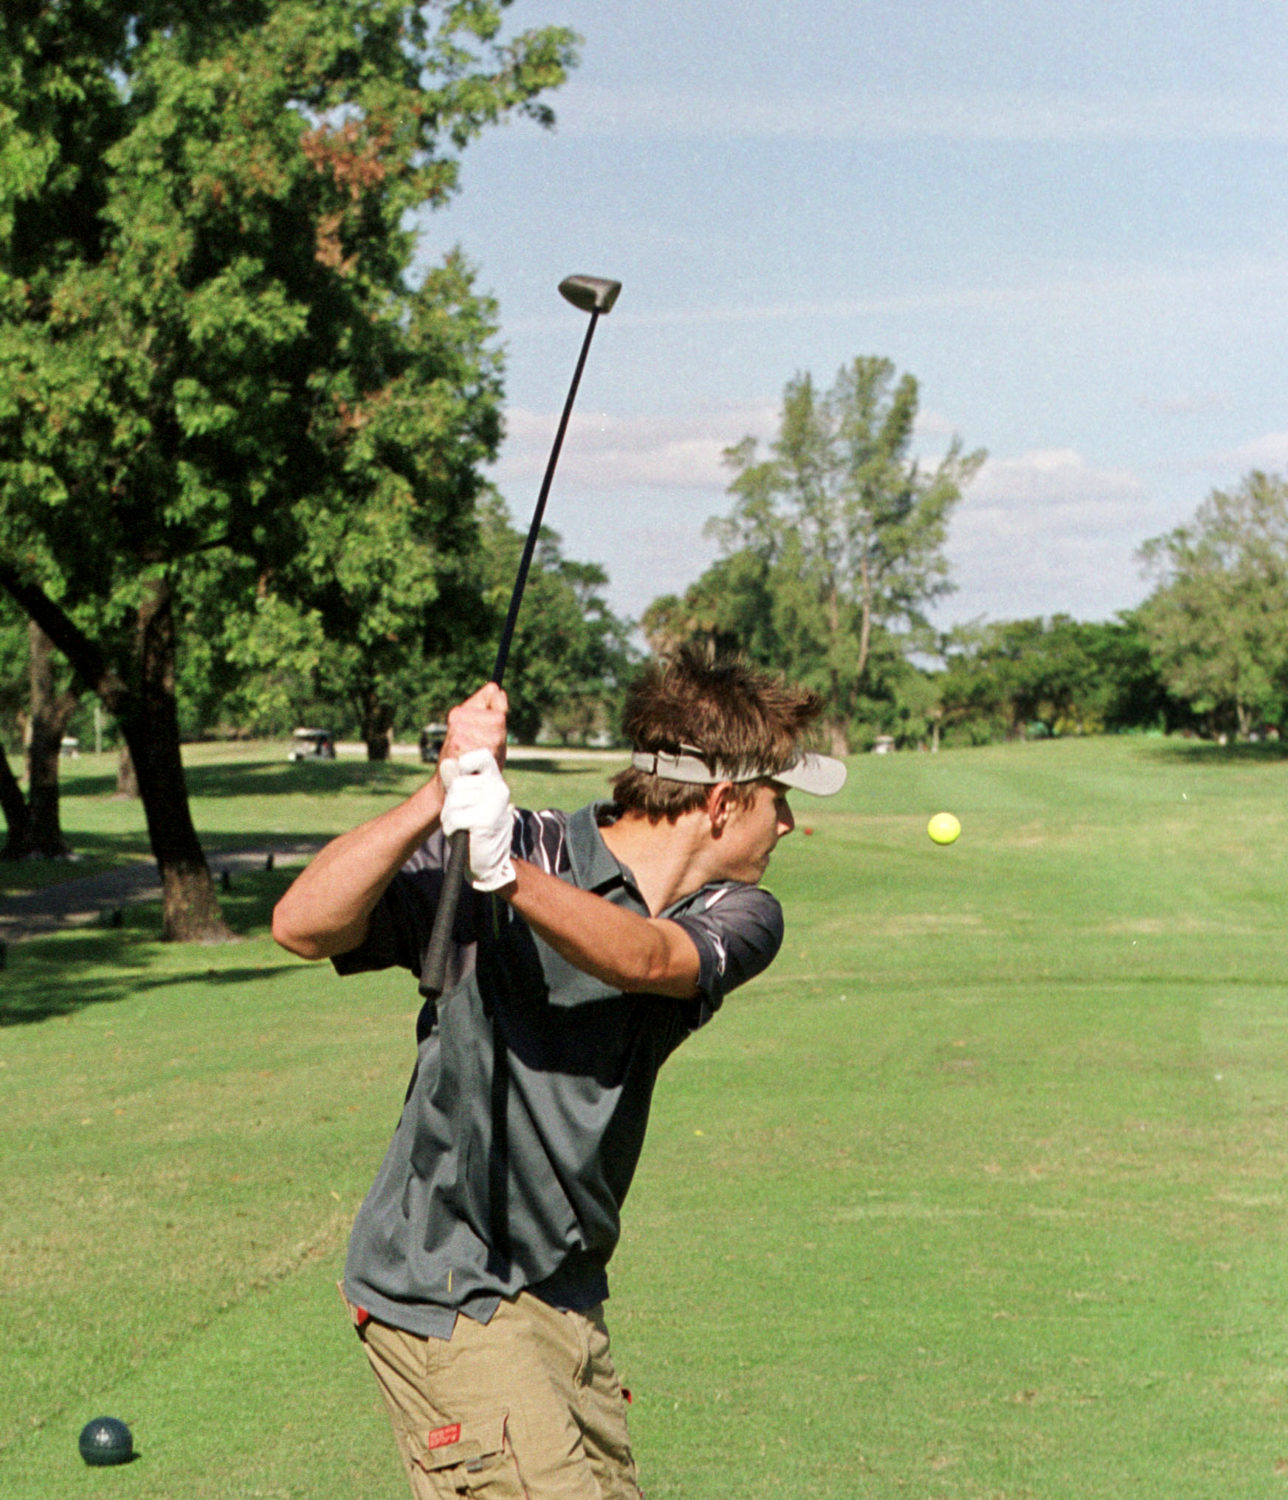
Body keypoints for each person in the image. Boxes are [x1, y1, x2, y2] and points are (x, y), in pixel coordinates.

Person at [272, 646, 846, 1499]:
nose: (790, 824)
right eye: (781, 800)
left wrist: (505, 874)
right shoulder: (531, 842)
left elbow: (646, 959)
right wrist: (439, 797)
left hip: (564, 1291)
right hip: (444, 1284)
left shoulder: (739, 912)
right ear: (724, 804)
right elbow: (301, 925)